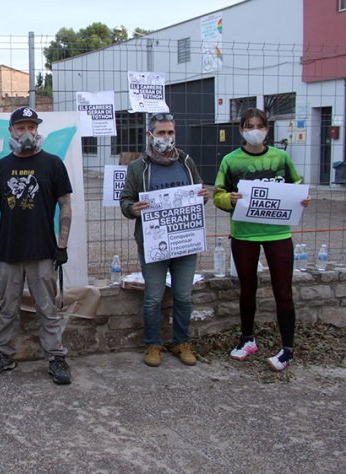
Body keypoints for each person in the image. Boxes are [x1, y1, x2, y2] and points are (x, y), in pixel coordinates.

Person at [0, 106, 74, 385]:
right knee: (8, 308)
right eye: (21, 127)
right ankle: (4, 355)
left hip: (43, 250)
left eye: (32, 126)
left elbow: (65, 206)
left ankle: (56, 358)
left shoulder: (53, 164)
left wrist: (62, 245)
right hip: (9, 252)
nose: (27, 132)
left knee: (48, 309)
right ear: (11, 131)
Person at [213, 107, 311, 371]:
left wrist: (303, 199)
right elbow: (217, 194)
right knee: (247, 288)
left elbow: (297, 188)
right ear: (241, 130)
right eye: (248, 125)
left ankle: (287, 349)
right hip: (244, 234)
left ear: (267, 129)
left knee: (283, 291)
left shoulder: (281, 157)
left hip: (278, 233)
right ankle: (247, 339)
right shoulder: (230, 161)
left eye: (258, 125)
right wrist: (228, 199)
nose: (254, 130)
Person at [119, 112, 211, 368]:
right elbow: (125, 199)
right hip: (152, 244)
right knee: (153, 297)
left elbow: (199, 190)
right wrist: (132, 208)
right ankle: (153, 344)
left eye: (170, 133)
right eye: (161, 133)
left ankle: (182, 342)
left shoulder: (186, 161)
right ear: (150, 135)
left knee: (183, 296)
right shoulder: (138, 167)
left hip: (185, 242)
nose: (166, 138)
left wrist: (203, 195)